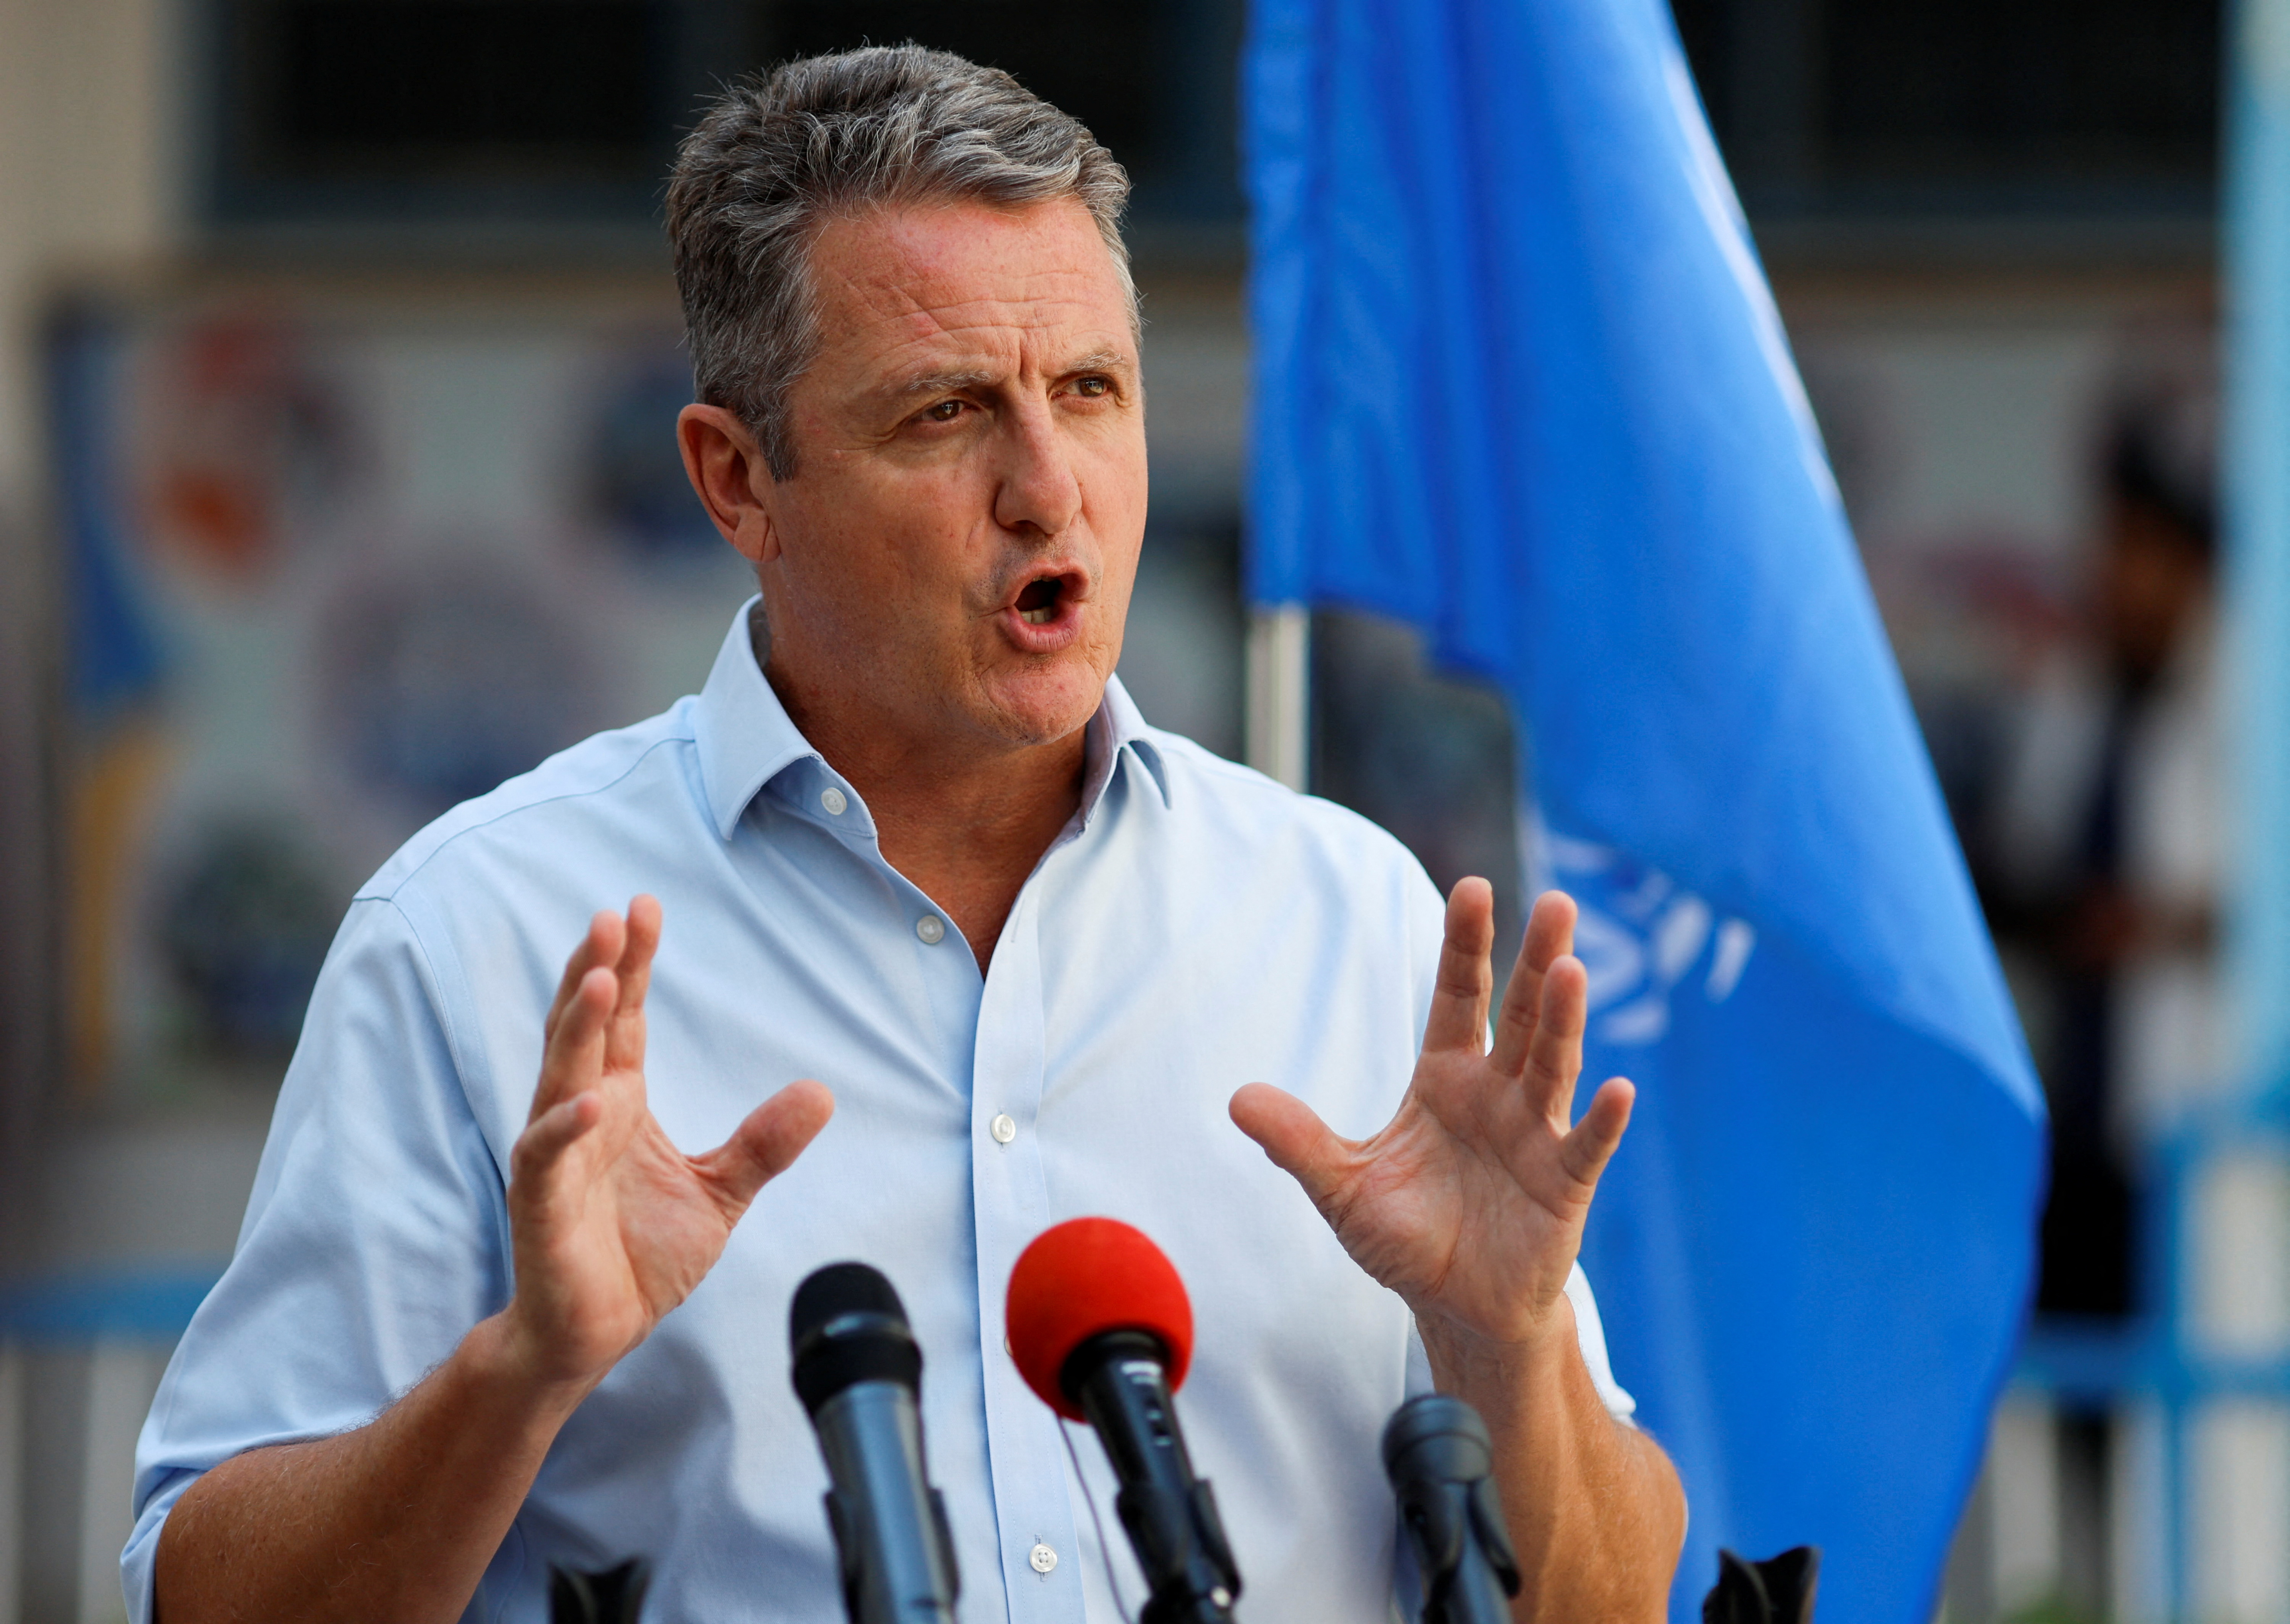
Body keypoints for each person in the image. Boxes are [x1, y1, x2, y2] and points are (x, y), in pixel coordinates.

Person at [129, 47, 1685, 1624]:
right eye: (945, 414)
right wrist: (518, 1374)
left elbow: (1607, 1607)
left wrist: (1509, 1339)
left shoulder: (1349, 917)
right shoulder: (483, 935)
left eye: (1089, 392)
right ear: (739, 484)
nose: (1045, 490)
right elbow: (206, 1600)